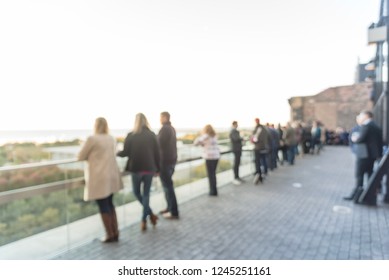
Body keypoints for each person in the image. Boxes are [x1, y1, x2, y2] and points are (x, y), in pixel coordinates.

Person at [78, 117, 123, 242]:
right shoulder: (111, 138)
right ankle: (116, 232)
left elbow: (80, 156)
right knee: (110, 204)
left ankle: (109, 234)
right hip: (110, 176)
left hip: (99, 177)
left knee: (103, 206)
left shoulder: (92, 139)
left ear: (95, 125)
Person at [117, 113, 160, 231]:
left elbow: (125, 152)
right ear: (146, 121)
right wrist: (158, 169)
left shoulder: (131, 135)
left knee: (137, 193)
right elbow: (157, 153)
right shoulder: (152, 135)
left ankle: (146, 218)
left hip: (136, 169)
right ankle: (148, 216)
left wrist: (115, 152)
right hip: (149, 169)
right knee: (146, 194)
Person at [344, 110, 383, 205]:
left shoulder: (366, 126)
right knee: (369, 176)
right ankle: (368, 197)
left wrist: (354, 138)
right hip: (371, 156)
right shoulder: (375, 126)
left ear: (366, 116)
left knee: (359, 176)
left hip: (363, 155)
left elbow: (360, 139)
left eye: (360, 116)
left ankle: (357, 196)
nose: (359, 118)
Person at [158, 111, 179, 219]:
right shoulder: (172, 129)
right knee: (167, 186)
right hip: (171, 161)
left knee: (168, 187)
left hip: (165, 162)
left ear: (165, 117)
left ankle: (173, 211)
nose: (159, 119)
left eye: (161, 117)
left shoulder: (165, 129)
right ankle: (169, 207)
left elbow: (158, 144)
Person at [194, 124, 220, 196]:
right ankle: (214, 190)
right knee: (213, 174)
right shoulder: (214, 136)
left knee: (210, 174)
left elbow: (196, 142)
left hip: (209, 157)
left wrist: (201, 140)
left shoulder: (206, 136)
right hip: (216, 156)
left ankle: (212, 191)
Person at [251, 118, 271, 183]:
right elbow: (269, 138)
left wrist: (253, 141)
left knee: (258, 162)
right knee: (264, 160)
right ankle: (264, 172)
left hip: (258, 148)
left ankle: (259, 174)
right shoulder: (265, 129)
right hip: (264, 147)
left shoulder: (257, 129)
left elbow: (254, 139)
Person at [229, 121, 244, 185]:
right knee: (236, 163)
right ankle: (236, 177)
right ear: (234, 124)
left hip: (237, 149)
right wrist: (241, 137)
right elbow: (236, 139)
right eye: (237, 124)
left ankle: (237, 176)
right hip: (236, 149)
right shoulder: (233, 131)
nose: (237, 125)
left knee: (237, 163)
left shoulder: (234, 131)